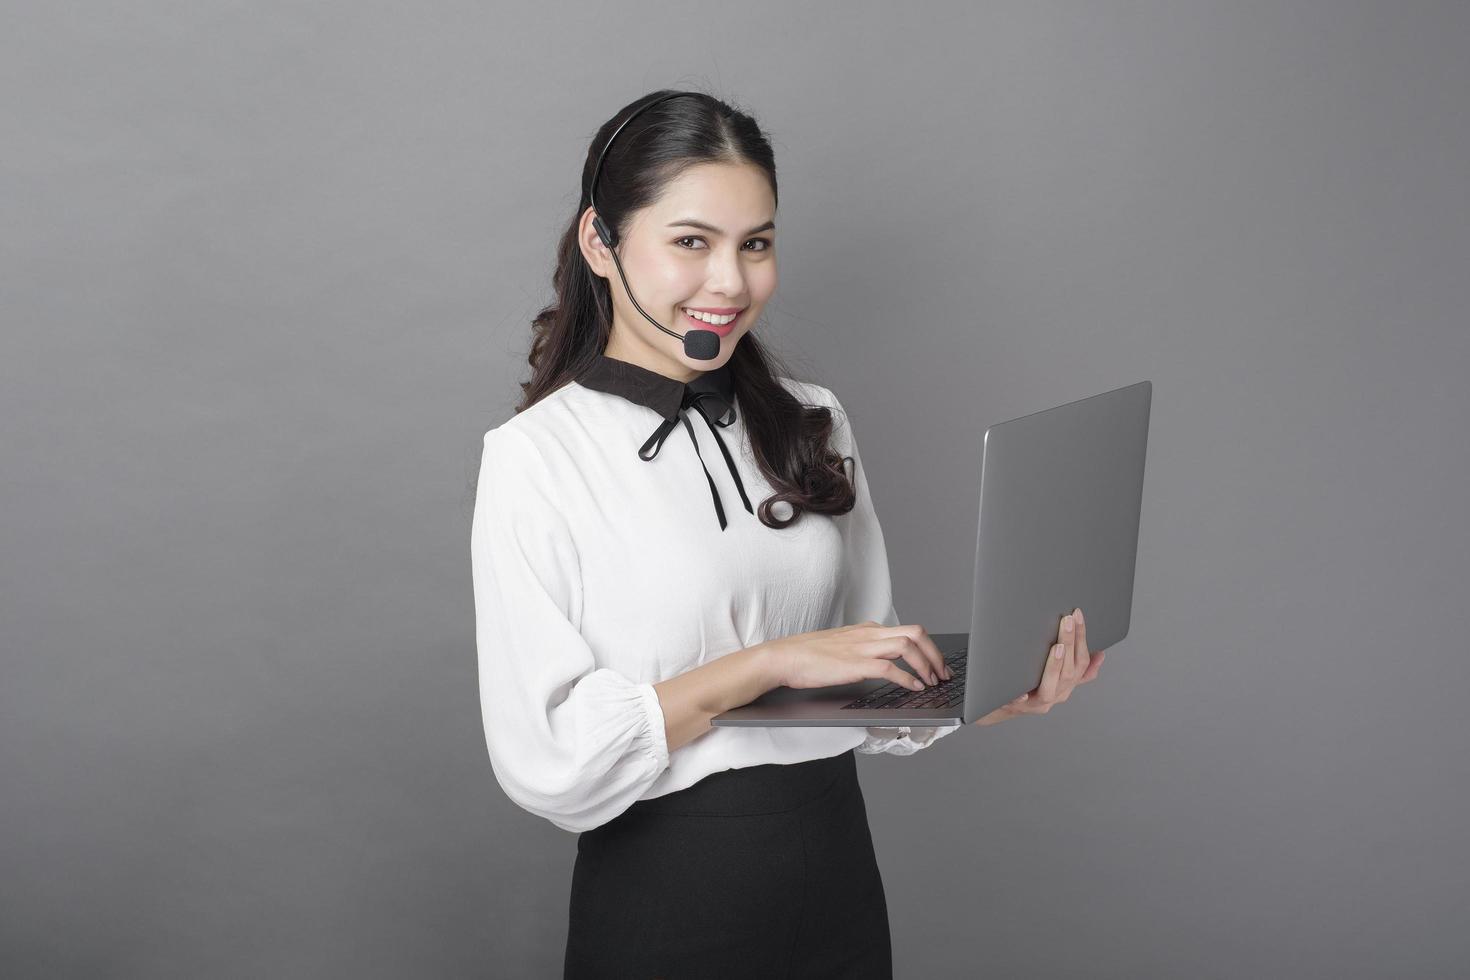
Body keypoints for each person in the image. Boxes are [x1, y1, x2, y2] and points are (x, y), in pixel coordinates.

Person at [470, 88, 1107, 979]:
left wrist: (978, 689)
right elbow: (550, 760)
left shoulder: (814, 419)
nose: (730, 283)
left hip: (833, 871)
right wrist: (766, 664)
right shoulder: (539, 456)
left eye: (755, 244)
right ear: (600, 244)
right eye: (691, 241)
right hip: (666, 894)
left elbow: (855, 662)